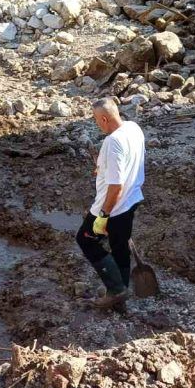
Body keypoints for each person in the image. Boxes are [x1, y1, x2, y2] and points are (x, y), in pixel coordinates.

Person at [76, 97, 145, 310]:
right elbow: (125, 165)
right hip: (131, 201)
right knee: (119, 247)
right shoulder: (133, 128)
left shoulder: (112, 142)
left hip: (113, 207)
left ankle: (116, 289)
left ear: (104, 118)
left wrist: (103, 216)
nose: (97, 124)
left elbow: (116, 186)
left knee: (86, 240)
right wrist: (103, 169)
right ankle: (120, 295)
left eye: (97, 120)